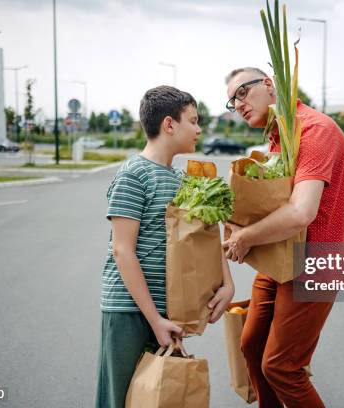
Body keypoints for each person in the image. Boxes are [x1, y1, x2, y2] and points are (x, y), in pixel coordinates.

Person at [96, 85, 235, 408]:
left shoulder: (180, 180)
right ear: (169, 124)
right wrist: (154, 320)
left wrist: (227, 283)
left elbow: (203, 239)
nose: (200, 129)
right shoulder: (134, 175)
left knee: (156, 397)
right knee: (122, 399)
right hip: (129, 310)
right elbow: (122, 251)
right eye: (193, 120)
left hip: (166, 308)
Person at [223, 67, 344, 408]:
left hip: (315, 263)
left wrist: (247, 236)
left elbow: (300, 212)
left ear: (268, 84)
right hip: (283, 257)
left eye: (242, 93)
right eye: (232, 102)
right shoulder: (279, 135)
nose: (238, 105)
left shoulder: (314, 130)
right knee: (250, 344)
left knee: (281, 366)